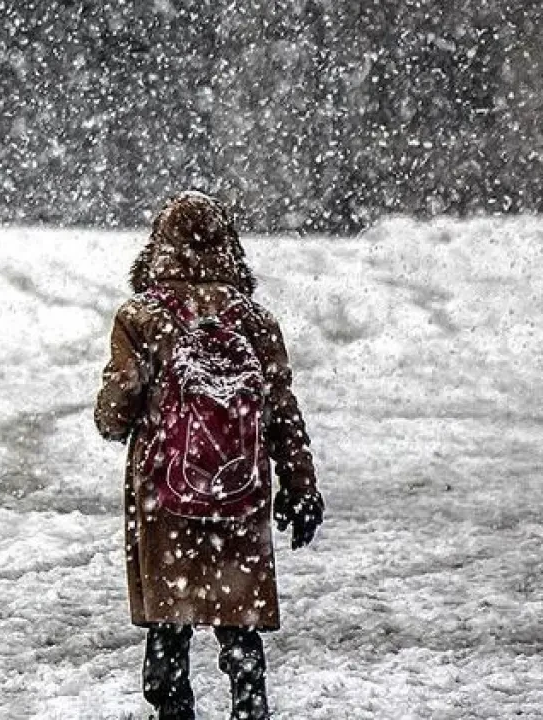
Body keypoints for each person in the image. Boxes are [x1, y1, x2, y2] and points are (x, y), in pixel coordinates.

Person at [95, 191, 323, 720]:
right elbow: (282, 412)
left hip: (165, 492)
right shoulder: (255, 321)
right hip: (239, 494)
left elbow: (117, 409)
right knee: (237, 614)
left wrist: (118, 408)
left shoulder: (141, 317)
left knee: (168, 619)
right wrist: (300, 485)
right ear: (229, 247)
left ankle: (171, 707)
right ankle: (248, 703)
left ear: (158, 246)